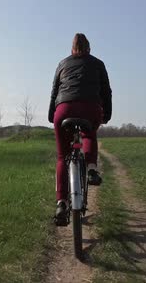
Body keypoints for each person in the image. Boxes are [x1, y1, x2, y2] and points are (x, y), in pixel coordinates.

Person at [48, 33, 112, 224]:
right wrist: (106, 114)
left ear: (72, 49)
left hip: (64, 109)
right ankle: (92, 168)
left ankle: (61, 203)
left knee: (62, 156)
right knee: (89, 134)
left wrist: (52, 116)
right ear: (89, 49)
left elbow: (54, 92)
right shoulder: (98, 64)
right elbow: (106, 92)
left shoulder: (62, 64)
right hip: (91, 108)